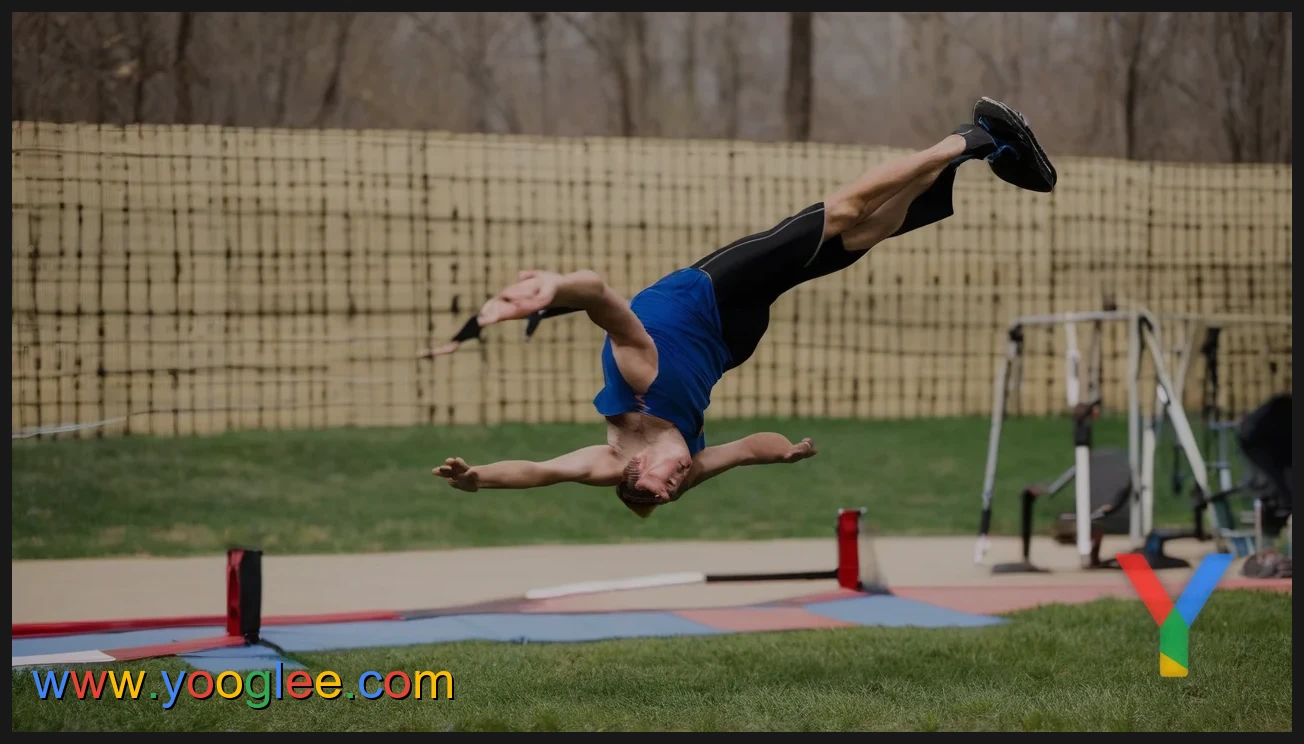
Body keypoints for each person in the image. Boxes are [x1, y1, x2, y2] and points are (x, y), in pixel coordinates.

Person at [423, 97, 1057, 518]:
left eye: (662, 483)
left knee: (843, 219)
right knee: (852, 234)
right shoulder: (682, 467)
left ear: (633, 465)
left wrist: (557, 288)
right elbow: (748, 448)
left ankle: (968, 142)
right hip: (734, 336)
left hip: (703, 294)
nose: (677, 482)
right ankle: (977, 150)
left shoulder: (635, 389)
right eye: (673, 491)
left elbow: (599, 302)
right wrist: (786, 453)